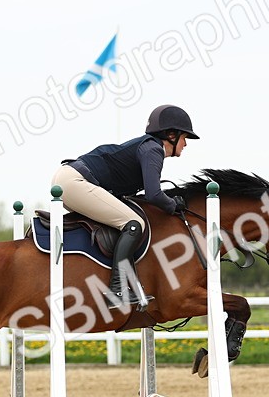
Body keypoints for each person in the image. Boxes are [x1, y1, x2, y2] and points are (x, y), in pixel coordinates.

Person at [53, 104, 199, 309]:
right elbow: (154, 194)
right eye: (185, 137)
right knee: (133, 223)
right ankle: (117, 289)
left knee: (125, 220)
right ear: (171, 135)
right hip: (75, 182)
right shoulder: (153, 150)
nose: (186, 144)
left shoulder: (148, 148)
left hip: (72, 179)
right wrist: (173, 205)